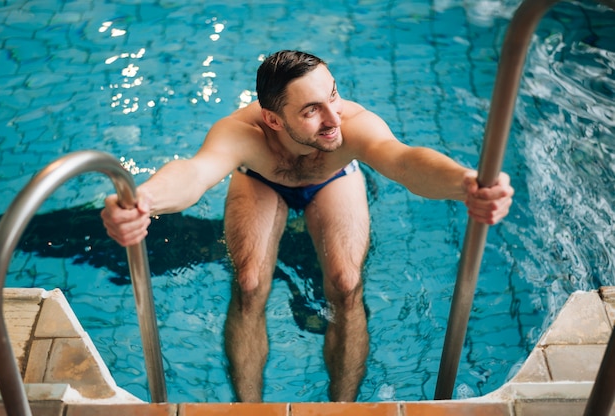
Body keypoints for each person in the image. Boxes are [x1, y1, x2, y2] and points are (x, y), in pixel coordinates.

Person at [101, 50, 514, 402]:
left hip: (334, 179)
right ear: (274, 120)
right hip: (261, 180)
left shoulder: (350, 125)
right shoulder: (244, 133)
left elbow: (403, 162)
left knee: (347, 284)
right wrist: (144, 200)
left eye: (333, 95)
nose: (334, 117)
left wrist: (465, 183)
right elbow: (195, 172)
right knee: (248, 283)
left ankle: (344, 407)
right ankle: (249, 409)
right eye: (311, 110)